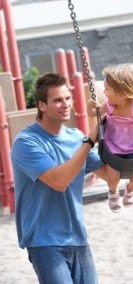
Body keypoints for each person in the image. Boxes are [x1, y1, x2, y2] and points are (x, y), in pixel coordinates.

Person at [11, 72, 107, 284]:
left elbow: (111, 176)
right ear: (42, 105)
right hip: (44, 242)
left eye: (67, 98)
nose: (65, 104)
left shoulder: (75, 138)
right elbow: (59, 182)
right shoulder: (26, 143)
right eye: (57, 100)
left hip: (78, 237)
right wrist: (90, 140)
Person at [88, 63, 133, 213]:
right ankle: (113, 193)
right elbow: (94, 114)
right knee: (113, 179)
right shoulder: (109, 105)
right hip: (113, 146)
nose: (104, 92)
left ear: (121, 93)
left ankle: (130, 190)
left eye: (107, 89)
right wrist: (90, 107)